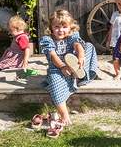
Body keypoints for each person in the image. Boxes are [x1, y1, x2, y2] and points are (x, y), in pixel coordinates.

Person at [39, 9, 98, 137]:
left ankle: (78, 73)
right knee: (55, 83)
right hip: (57, 67)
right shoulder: (47, 39)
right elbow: (53, 56)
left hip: (73, 64)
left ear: (70, 27)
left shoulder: (72, 36)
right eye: (57, 27)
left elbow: (78, 46)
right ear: (51, 28)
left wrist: (81, 57)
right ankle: (64, 114)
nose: (61, 30)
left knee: (88, 46)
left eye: (64, 27)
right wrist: (61, 66)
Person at [106, 0, 121, 80]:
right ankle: (118, 73)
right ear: (116, 3)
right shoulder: (115, 14)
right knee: (115, 59)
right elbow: (111, 28)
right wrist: (108, 40)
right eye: (119, 4)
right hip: (115, 41)